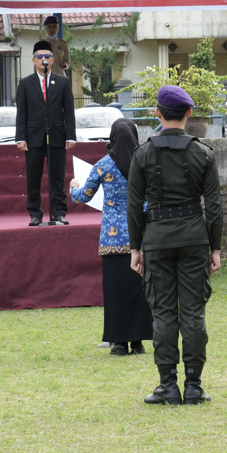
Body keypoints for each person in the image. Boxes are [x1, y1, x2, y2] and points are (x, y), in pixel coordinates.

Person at [126, 85, 223, 405]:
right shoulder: (203, 153)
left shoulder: (142, 154)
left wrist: (135, 248)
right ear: (189, 114)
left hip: (156, 240)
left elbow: (134, 205)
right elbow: (215, 206)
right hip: (195, 239)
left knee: (164, 313)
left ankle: (168, 384)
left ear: (157, 113)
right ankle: (193, 385)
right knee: (194, 313)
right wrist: (215, 248)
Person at [70, 118, 153, 356]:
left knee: (116, 291)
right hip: (141, 235)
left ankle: (119, 343)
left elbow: (84, 196)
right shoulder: (144, 162)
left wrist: (73, 187)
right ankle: (138, 342)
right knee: (140, 289)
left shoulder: (103, 165)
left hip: (112, 239)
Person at [15, 40, 76, 226]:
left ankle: (59, 212)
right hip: (33, 137)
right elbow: (21, 113)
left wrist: (70, 135)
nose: (44, 59)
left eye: (47, 56)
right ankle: (35, 213)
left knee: (58, 175)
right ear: (33, 60)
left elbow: (69, 111)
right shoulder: (25, 83)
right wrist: (21, 137)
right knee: (33, 177)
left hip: (57, 135)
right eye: (40, 57)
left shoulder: (63, 82)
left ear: (53, 60)